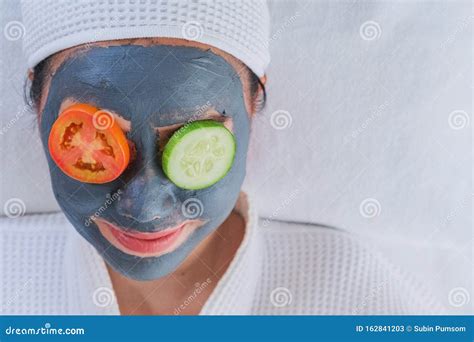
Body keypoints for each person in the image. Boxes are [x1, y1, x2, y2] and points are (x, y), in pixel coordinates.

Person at [2, 0, 443, 315]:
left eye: (192, 137)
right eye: (98, 140)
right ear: (40, 108)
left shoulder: (357, 297)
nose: (147, 208)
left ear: (253, 104)